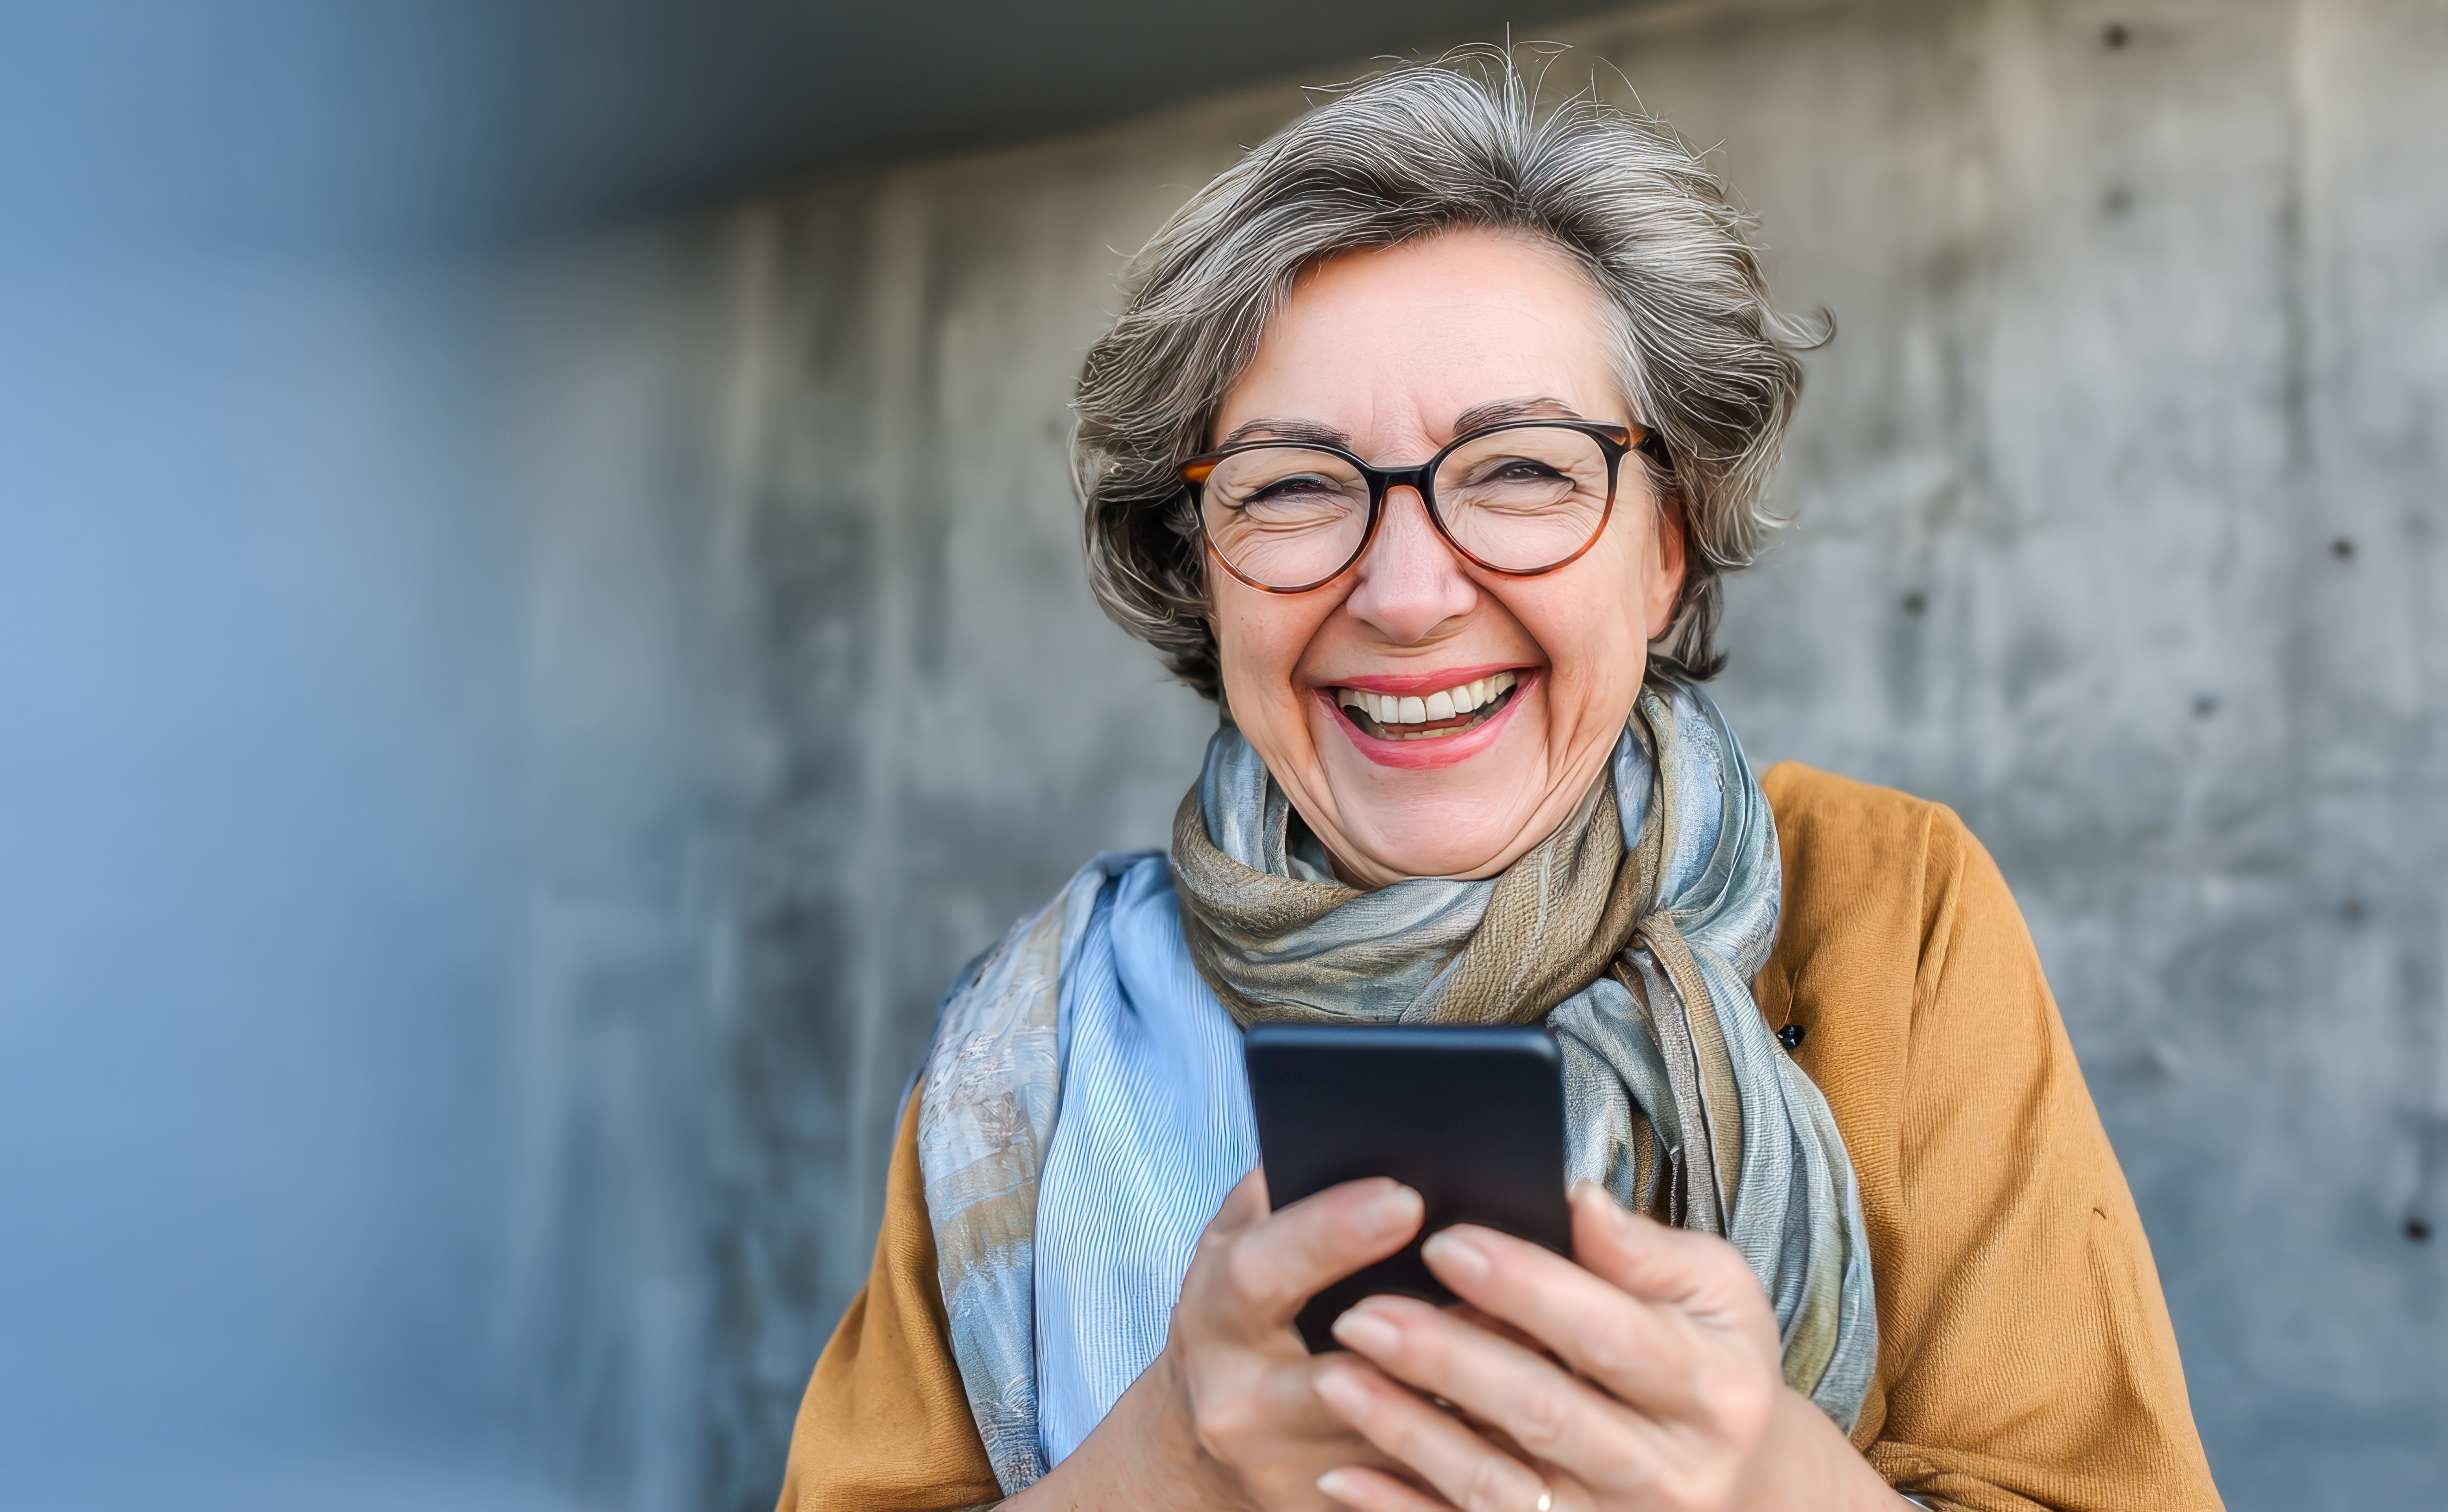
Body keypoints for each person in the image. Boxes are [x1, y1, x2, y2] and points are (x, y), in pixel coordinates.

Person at [779, 54, 2222, 1512]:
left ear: (1667, 548)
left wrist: (1773, 1485)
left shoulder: (1882, 909)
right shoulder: (1036, 1039)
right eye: (1288, 486)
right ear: (1200, 570)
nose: (1406, 595)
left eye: (1523, 471)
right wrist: (1176, 1462)